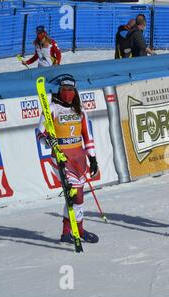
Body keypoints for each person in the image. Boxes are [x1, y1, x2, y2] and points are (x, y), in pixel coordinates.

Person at [36, 75, 99, 243]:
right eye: (65, 90)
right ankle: (78, 230)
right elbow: (39, 131)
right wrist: (46, 139)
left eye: (71, 90)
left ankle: (67, 233)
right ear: (60, 90)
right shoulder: (52, 108)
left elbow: (87, 134)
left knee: (76, 197)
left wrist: (93, 158)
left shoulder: (80, 109)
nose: (68, 93)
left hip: (79, 158)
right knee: (76, 196)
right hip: (61, 157)